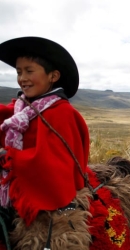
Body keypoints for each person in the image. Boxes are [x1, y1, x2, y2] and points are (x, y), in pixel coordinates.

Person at [0, 37, 89, 238]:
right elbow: (6, 117)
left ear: (53, 76)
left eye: (29, 71)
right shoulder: (23, 108)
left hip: (50, 200)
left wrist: (9, 157)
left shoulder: (61, 114)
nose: (22, 78)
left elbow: (53, 167)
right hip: (21, 183)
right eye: (19, 72)